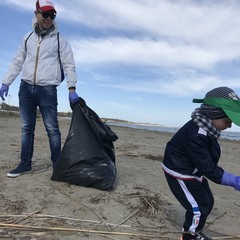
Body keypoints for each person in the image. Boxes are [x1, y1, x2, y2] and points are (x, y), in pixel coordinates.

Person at [0, 0, 79, 178]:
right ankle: (25, 164)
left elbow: (69, 64)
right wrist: (6, 82)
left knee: (52, 129)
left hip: (47, 90)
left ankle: (57, 165)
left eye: (52, 15)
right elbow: (17, 61)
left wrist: (71, 88)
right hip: (26, 89)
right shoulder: (27, 38)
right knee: (27, 128)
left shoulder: (60, 40)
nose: (48, 19)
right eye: (45, 14)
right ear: (36, 13)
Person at [162, 86, 240, 240]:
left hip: (193, 170)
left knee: (207, 201)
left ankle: (196, 231)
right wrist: (235, 181)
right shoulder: (197, 134)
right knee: (198, 207)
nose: (229, 126)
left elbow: (205, 161)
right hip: (180, 171)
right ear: (214, 114)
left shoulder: (207, 128)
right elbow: (207, 167)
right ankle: (189, 236)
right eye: (227, 121)